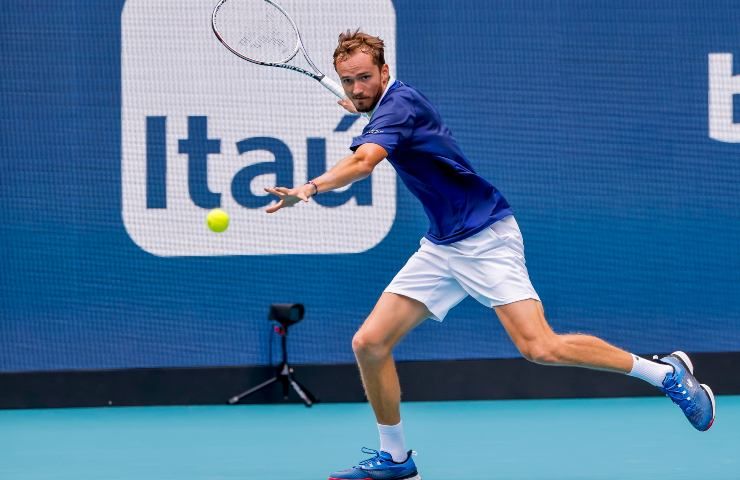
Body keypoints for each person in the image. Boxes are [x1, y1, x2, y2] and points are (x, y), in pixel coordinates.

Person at [264, 30, 716, 480]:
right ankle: (396, 459)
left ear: (385, 71)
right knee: (369, 343)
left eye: (365, 78)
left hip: (485, 238)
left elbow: (364, 163)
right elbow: (378, 120)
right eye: (349, 82)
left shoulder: (398, 107)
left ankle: (664, 372)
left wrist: (309, 187)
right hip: (442, 245)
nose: (357, 88)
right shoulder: (388, 105)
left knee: (540, 347)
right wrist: (364, 107)